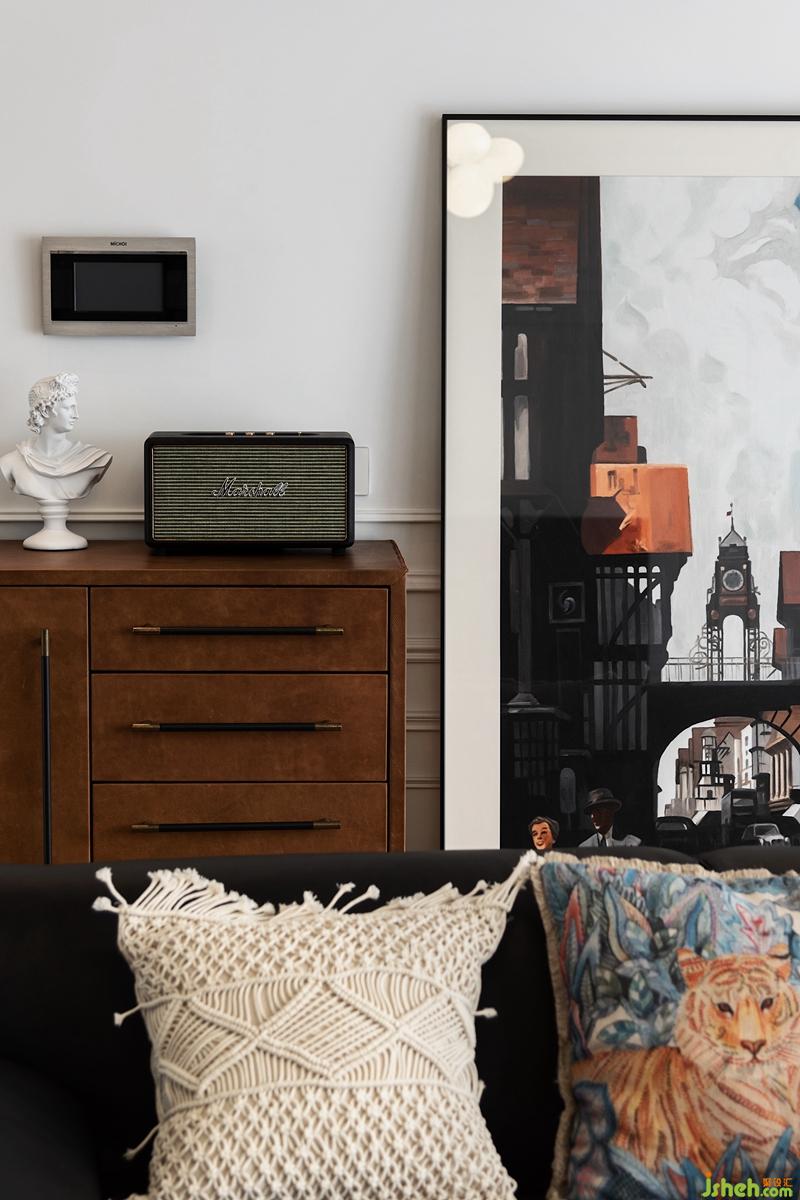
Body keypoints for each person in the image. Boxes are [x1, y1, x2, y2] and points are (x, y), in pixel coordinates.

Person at [0, 373, 112, 503]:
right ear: (45, 411)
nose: (76, 415)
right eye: (68, 408)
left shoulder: (94, 459)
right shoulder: (11, 462)